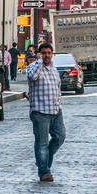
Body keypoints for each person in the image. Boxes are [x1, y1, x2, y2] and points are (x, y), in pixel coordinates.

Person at [27, 42, 66, 183]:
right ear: (40, 54)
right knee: (42, 143)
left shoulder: (54, 69)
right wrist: (38, 62)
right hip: (40, 111)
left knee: (60, 137)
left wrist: (59, 105)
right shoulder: (34, 67)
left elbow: (58, 89)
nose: (46, 55)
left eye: (49, 53)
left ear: (52, 54)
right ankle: (44, 171)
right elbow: (32, 77)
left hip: (55, 111)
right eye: (44, 53)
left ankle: (42, 161)